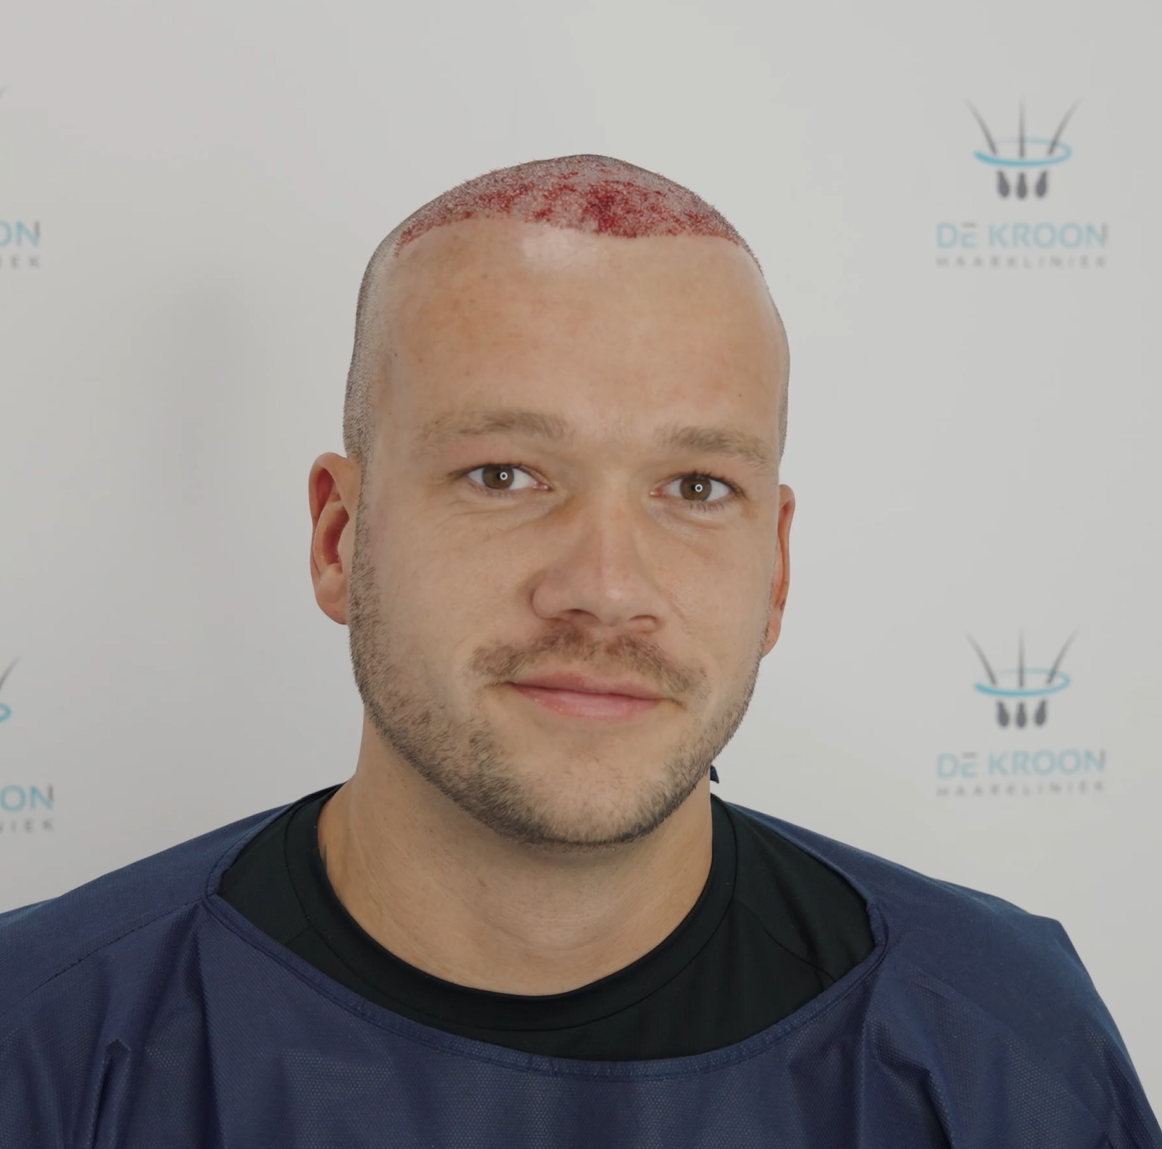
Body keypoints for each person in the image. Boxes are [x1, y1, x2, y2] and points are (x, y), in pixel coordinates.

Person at [0, 155, 1157, 1149]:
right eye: (503, 474)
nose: (605, 589)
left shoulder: (1003, 1050)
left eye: (694, 488)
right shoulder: (45, 1046)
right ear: (339, 538)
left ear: (774, 567)